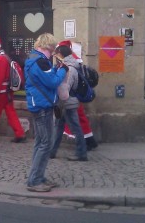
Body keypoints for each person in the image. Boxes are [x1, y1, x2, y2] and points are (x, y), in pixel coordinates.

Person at [24, 33, 67, 192]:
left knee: (40, 143)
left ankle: (38, 177)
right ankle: (34, 180)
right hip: (43, 106)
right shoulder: (41, 62)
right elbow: (53, 82)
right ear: (48, 47)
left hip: (38, 104)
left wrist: (55, 69)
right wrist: (62, 70)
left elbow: (46, 78)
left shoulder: (33, 59)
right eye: (53, 49)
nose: (53, 53)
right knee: (45, 144)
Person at [57, 40, 99, 151]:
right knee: (76, 119)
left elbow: (69, 79)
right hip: (74, 94)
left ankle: (85, 144)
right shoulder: (73, 59)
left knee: (76, 120)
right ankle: (86, 142)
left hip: (72, 95)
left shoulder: (68, 63)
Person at [49, 44, 88, 161]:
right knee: (58, 127)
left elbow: (65, 87)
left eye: (56, 54)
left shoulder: (69, 68)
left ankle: (81, 153)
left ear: (61, 54)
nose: (55, 56)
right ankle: (52, 151)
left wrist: (59, 102)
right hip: (66, 102)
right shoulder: (68, 66)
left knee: (75, 128)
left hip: (67, 102)